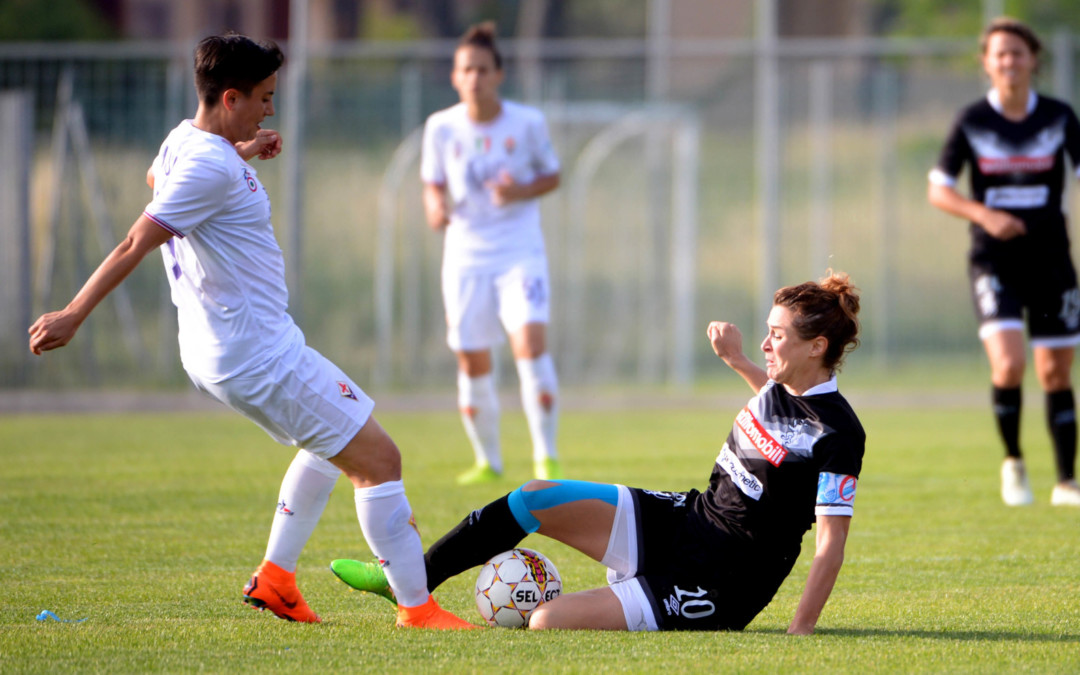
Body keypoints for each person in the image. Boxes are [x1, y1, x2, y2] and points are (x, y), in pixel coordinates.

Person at [27, 33, 474, 630]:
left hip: (228, 348)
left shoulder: (185, 142)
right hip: (257, 352)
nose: (270, 108)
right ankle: (419, 610)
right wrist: (74, 313)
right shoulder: (210, 162)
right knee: (379, 460)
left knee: (329, 443)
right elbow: (138, 238)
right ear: (231, 96)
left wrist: (239, 153)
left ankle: (277, 579)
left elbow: (157, 181)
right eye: (263, 97)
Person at [331, 272, 865, 634]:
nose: (767, 344)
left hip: (723, 580)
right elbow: (776, 408)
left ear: (816, 347)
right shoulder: (781, 387)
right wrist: (739, 360)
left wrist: (800, 633)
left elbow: (829, 545)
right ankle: (411, 582)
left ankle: (636, 595)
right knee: (534, 497)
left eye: (777, 335)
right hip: (687, 519)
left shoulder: (839, 433)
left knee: (544, 622)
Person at [928, 17, 1080, 507]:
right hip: (994, 262)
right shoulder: (973, 120)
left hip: (1053, 262)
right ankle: (1013, 462)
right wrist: (984, 215)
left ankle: (1065, 482)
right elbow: (939, 188)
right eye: (1000, 54)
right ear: (986, 64)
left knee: (1056, 372)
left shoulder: (1058, 117)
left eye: (1017, 52)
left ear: (1033, 60)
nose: (1009, 62)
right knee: (1010, 364)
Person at [421, 22, 563, 485]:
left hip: (519, 251)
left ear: (498, 74)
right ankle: (488, 461)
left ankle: (547, 457)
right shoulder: (441, 127)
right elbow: (432, 185)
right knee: (472, 359)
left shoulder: (526, 123)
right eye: (467, 69)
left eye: (483, 69)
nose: (475, 77)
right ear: (455, 76)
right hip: (465, 255)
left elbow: (552, 175)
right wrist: (436, 207)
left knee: (530, 346)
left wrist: (520, 189)